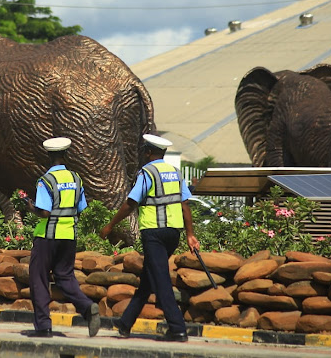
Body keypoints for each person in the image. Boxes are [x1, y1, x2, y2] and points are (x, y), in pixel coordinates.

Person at [100, 134, 200, 342]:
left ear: (148, 152)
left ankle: (177, 328)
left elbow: (131, 202)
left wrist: (110, 224)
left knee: (161, 280)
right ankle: (125, 324)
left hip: (153, 233)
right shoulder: (174, 172)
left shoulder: (147, 173)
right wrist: (190, 234)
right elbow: (185, 204)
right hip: (173, 232)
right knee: (148, 280)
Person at [22, 136, 101, 338]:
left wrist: (30, 207)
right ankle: (87, 306)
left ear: (48, 156)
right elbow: (81, 208)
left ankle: (43, 326)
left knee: (38, 279)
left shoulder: (45, 181)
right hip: (69, 236)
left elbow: (45, 212)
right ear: (66, 155)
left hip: (47, 236)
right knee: (65, 277)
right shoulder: (76, 179)